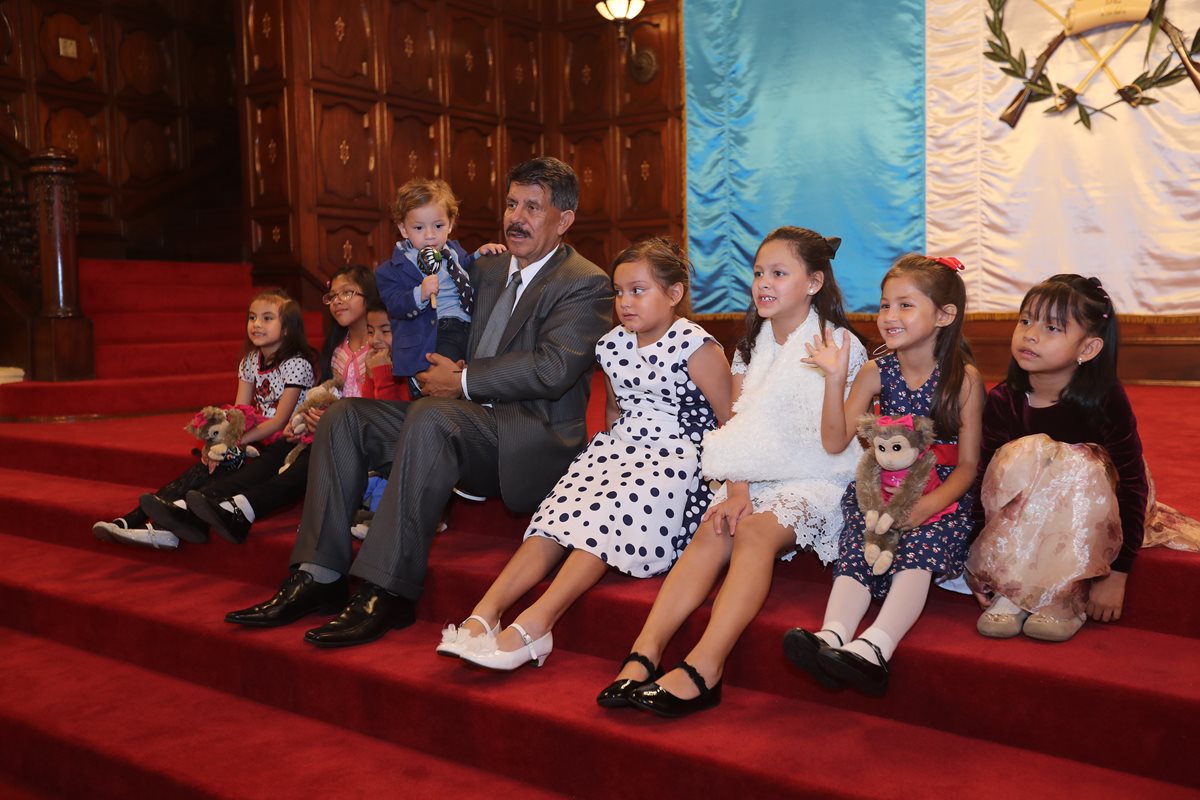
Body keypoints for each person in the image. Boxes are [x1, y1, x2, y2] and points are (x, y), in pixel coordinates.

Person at [223, 157, 613, 649]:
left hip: (527, 435)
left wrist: (465, 380)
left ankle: (386, 590)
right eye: (512, 203)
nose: (516, 216)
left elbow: (554, 368)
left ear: (565, 219)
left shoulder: (585, 282)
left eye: (533, 207)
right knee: (345, 418)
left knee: (434, 415)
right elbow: (411, 273)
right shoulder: (483, 265)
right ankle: (317, 575)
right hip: (456, 417)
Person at [598, 227, 868, 718]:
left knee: (756, 533)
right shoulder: (749, 345)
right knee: (714, 525)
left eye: (779, 274)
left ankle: (706, 665)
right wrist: (737, 486)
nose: (763, 283)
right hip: (758, 468)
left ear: (813, 282)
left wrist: (754, 486)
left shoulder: (840, 344)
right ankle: (645, 652)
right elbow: (738, 425)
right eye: (759, 273)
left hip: (819, 473)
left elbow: (837, 441)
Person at [436, 238, 731, 671]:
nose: (625, 303)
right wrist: (606, 463)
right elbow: (614, 409)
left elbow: (728, 419)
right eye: (618, 292)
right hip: (623, 448)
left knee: (606, 513)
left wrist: (725, 481)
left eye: (638, 290)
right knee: (559, 512)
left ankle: (538, 622)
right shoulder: (612, 345)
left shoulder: (696, 346)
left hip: (679, 458)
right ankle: (484, 614)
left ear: (673, 295)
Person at [784, 254, 983, 697]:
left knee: (918, 548)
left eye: (905, 305)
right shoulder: (877, 371)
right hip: (881, 490)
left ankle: (877, 646)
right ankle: (833, 634)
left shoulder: (962, 380)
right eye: (884, 305)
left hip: (939, 493)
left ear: (945, 315)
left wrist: (929, 504)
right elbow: (835, 441)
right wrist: (835, 381)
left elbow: (968, 465)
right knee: (858, 541)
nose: (889, 317)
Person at [966, 275, 1200, 642]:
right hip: (1026, 513)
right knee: (1018, 456)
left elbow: (1132, 480)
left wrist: (1116, 574)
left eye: (1052, 327)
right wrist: (980, 562)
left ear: (1088, 349)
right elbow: (984, 480)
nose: (1030, 334)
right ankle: (1013, 587)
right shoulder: (1004, 400)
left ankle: (1065, 593)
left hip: (1096, 507)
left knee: (1074, 461)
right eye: (1025, 320)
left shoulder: (1105, 399)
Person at [92, 289, 315, 549]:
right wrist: (222, 441)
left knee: (232, 467)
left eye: (267, 318)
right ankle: (135, 518)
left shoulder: (297, 364)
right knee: (205, 465)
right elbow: (240, 412)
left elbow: (279, 421)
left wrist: (236, 441)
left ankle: (169, 522)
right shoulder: (250, 361)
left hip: (287, 440)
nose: (256, 324)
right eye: (252, 317)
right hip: (256, 436)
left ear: (287, 329)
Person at [179, 266, 382, 544]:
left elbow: (383, 402)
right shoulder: (337, 348)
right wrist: (307, 419)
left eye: (347, 293)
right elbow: (325, 396)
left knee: (310, 455)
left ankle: (244, 507)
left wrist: (329, 421)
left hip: (364, 435)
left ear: (369, 295)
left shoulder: (381, 342)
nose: (337, 301)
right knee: (279, 449)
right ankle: (208, 500)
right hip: (326, 429)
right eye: (332, 295)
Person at [377, 177, 505, 398]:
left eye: (438, 226)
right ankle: (420, 389)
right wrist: (420, 294)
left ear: (451, 224)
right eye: (418, 227)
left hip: (466, 327)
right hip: (434, 333)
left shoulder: (452, 251)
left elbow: (462, 270)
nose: (429, 235)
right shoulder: (391, 269)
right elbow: (395, 305)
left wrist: (478, 254)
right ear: (403, 229)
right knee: (439, 380)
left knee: (461, 379)